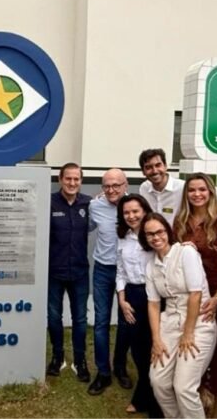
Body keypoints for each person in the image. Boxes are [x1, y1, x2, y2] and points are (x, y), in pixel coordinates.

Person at [172, 173, 217, 418]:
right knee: (193, 350)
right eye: (192, 190)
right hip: (190, 296)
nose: (197, 194)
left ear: (210, 192)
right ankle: (198, 398)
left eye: (202, 189)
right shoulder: (180, 222)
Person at [141, 212, 216, 418]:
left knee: (183, 387)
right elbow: (154, 304)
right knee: (158, 382)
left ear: (168, 232)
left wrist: (188, 333)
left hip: (198, 323)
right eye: (150, 234)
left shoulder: (185, 253)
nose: (156, 237)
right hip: (170, 322)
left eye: (159, 232)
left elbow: (196, 294)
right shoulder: (150, 265)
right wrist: (156, 339)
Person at [115, 194, 163, 416]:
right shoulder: (123, 237)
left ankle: (152, 401)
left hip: (153, 296)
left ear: (144, 210)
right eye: (126, 212)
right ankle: (144, 396)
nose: (131, 216)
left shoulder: (152, 236)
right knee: (137, 351)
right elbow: (121, 271)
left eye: (135, 211)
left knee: (154, 348)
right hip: (131, 296)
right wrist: (122, 300)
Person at [87, 168, 133, 395]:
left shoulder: (134, 206)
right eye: (107, 186)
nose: (111, 190)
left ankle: (120, 366)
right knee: (101, 322)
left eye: (116, 185)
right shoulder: (95, 206)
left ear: (126, 185)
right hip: (103, 270)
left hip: (129, 271)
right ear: (101, 188)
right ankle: (103, 372)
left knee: (126, 322)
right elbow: (85, 227)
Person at [47, 163, 91, 382]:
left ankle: (79, 360)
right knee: (54, 317)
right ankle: (58, 357)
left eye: (77, 179)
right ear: (60, 180)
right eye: (68, 179)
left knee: (80, 319)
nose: (72, 183)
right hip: (54, 272)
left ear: (81, 181)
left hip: (80, 272)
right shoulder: (50, 203)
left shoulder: (88, 204)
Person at [138, 148, 185, 226]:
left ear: (165, 166)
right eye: (148, 167)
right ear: (143, 172)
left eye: (158, 165)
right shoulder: (144, 189)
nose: (154, 171)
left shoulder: (182, 188)